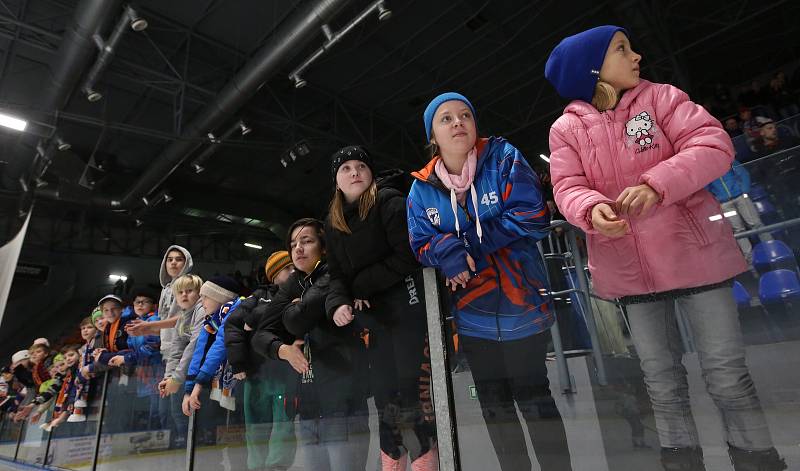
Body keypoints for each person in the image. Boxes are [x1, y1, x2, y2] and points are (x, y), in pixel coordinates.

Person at [545, 25, 785, 470]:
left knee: (726, 373)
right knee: (660, 380)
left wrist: (658, 184)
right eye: (622, 50)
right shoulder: (566, 130)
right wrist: (591, 209)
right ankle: (681, 460)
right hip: (631, 272)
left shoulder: (662, 99)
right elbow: (566, 187)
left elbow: (713, 145)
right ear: (592, 69)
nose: (637, 56)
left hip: (696, 258)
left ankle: (757, 459)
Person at [406, 92, 572, 471]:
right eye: (445, 118)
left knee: (534, 397)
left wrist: (470, 247)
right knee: (495, 405)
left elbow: (533, 215)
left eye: (465, 115)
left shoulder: (503, 158)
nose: (457, 123)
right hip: (472, 315)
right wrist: (446, 252)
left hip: (523, 305)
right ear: (432, 134)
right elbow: (420, 242)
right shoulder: (421, 189)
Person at [326, 146, 437, 470]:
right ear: (336, 179)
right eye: (345, 168)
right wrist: (338, 302)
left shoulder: (390, 203)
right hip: (374, 317)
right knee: (384, 394)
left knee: (409, 390)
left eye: (361, 165)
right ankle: (392, 456)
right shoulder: (332, 223)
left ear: (371, 173)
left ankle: (424, 456)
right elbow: (337, 275)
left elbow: (408, 256)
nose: (354, 172)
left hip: (407, 307)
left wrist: (361, 285)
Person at [252, 218, 370, 471]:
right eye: (293, 244)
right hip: (306, 406)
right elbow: (260, 336)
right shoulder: (291, 286)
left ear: (324, 247)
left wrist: (292, 312)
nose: (298, 249)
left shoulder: (334, 274)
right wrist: (283, 349)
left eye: (307, 241)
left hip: (343, 400)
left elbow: (297, 321)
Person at [225, 251, 297, 471]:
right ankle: (256, 466)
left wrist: (256, 317)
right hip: (255, 374)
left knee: (284, 424)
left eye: (295, 267)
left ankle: (277, 466)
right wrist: (237, 362)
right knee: (255, 425)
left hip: (285, 373)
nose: (293, 270)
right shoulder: (258, 296)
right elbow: (233, 325)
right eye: (287, 268)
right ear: (274, 275)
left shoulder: (302, 293)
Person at [182, 276, 243, 415]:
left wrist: (197, 387)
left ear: (221, 298)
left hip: (244, 377)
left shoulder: (236, 311)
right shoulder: (211, 321)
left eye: (205, 297)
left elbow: (220, 346)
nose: (202, 302)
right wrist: (188, 390)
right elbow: (199, 353)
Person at [707, 160, 773, 263]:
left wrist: (744, 190)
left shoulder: (727, 159)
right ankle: (751, 261)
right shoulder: (704, 168)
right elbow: (706, 188)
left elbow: (743, 173)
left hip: (740, 197)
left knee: (756, 224)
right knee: (738, 231)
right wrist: (716, 200)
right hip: (724, 204)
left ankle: (772, 250)